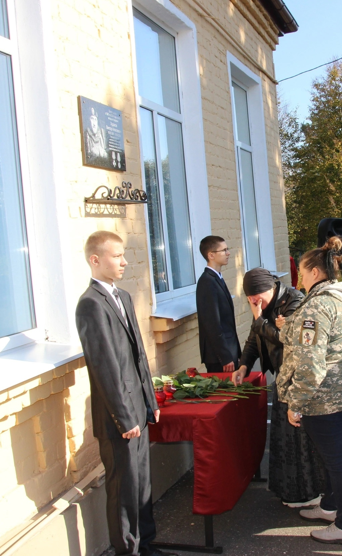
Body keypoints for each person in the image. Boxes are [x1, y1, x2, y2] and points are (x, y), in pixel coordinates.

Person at [74, 231, 175, 556]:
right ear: (95, 260)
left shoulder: (124, 297)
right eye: (117, 256)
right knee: (123, 490)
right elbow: (105, 368)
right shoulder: (90, 305)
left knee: (142, 485)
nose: (124, 261)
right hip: (120, 420)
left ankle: (146, 545)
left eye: (123, 255)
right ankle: (128, 551)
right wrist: (125, 418)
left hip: (139, 411)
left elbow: (138, 356)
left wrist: (149, 401)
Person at [277, 236, 342, 546]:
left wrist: (295, 403)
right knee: (332, 459)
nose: (298, 276)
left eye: (301, 270)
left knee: (337, 461)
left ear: (315, 271)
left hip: (324, 399)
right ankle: (330, 507)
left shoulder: (317, 306)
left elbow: (311, 365)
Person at [232, 268, 327, 508]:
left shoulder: (294, 301)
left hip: (298, 378)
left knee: (301, 438)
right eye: (250, 298)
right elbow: (255, 338)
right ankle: (291, 491)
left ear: (271, 288)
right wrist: (244, 366)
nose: (254, 302)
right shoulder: (261, 308)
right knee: (284, 438)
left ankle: (311, 493)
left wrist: (259, 320)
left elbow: (286, 338)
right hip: (281, 377)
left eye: (257, 296)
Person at [196, 236, 241, 373]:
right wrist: (225, 356)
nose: (228, 253)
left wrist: (236, 353)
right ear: (211, 255)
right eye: (224, 250)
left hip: (228, 351)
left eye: (227, 249)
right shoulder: (207, 282)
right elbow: (212, 324)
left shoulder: (217, 278)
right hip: (219, 358)